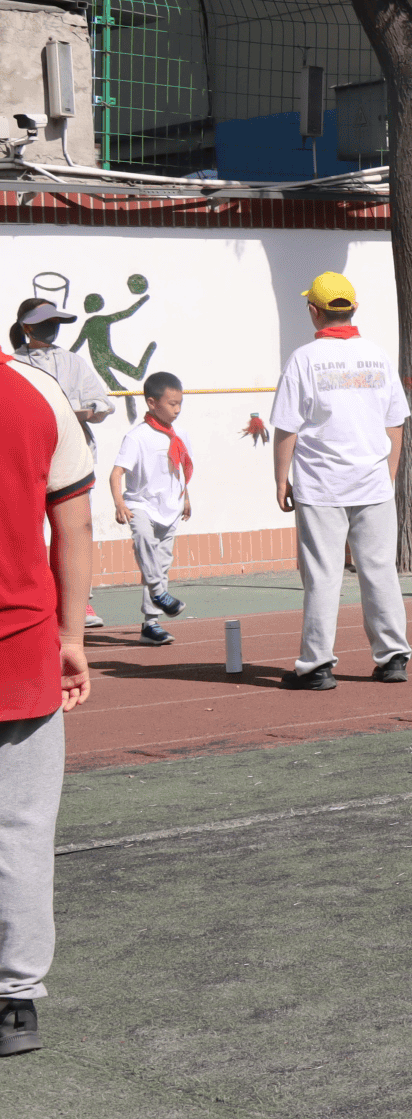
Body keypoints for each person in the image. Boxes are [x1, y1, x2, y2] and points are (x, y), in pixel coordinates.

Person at [1, 334, 95, 1058]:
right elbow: (75, 525)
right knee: (21, 829)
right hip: (20, 643)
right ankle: (16, 1000)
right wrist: (71, 634)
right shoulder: (38, 392)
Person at [269, 272, 411, 689]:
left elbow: (287, 427)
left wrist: (281, 478)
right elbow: (395, 423)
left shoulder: (304, 359)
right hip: (372, 481)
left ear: (314, 310)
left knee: (322, 574)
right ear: (353, 308)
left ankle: (316, 665)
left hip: (321, 484)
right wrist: (389, 473)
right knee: (380, 569)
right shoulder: (377, 355)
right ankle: (393, 657)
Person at [12, 300, 111, 632]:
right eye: (44, 321)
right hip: (28, 458)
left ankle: (79, 601)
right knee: (28, 531)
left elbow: (102, 403)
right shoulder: (14, 364)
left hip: (70, 459)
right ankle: (36, 601)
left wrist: (85, 411)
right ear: (26, 327)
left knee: (73, 530)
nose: (51, 327)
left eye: (56, 321)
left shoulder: (72, 362)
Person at [109, 370, 193, 646]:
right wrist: (120, 503)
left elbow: (179, 468)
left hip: (169, 508)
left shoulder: (179, 435)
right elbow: (116, 473)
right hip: (140, 504)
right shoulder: (137, 437)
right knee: (143, 539)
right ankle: (159, 593)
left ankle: (151, 624)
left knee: (161, 564)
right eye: (172, 403)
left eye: (180, 403)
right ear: (152, 403)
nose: (178, 409)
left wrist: (186, 497)